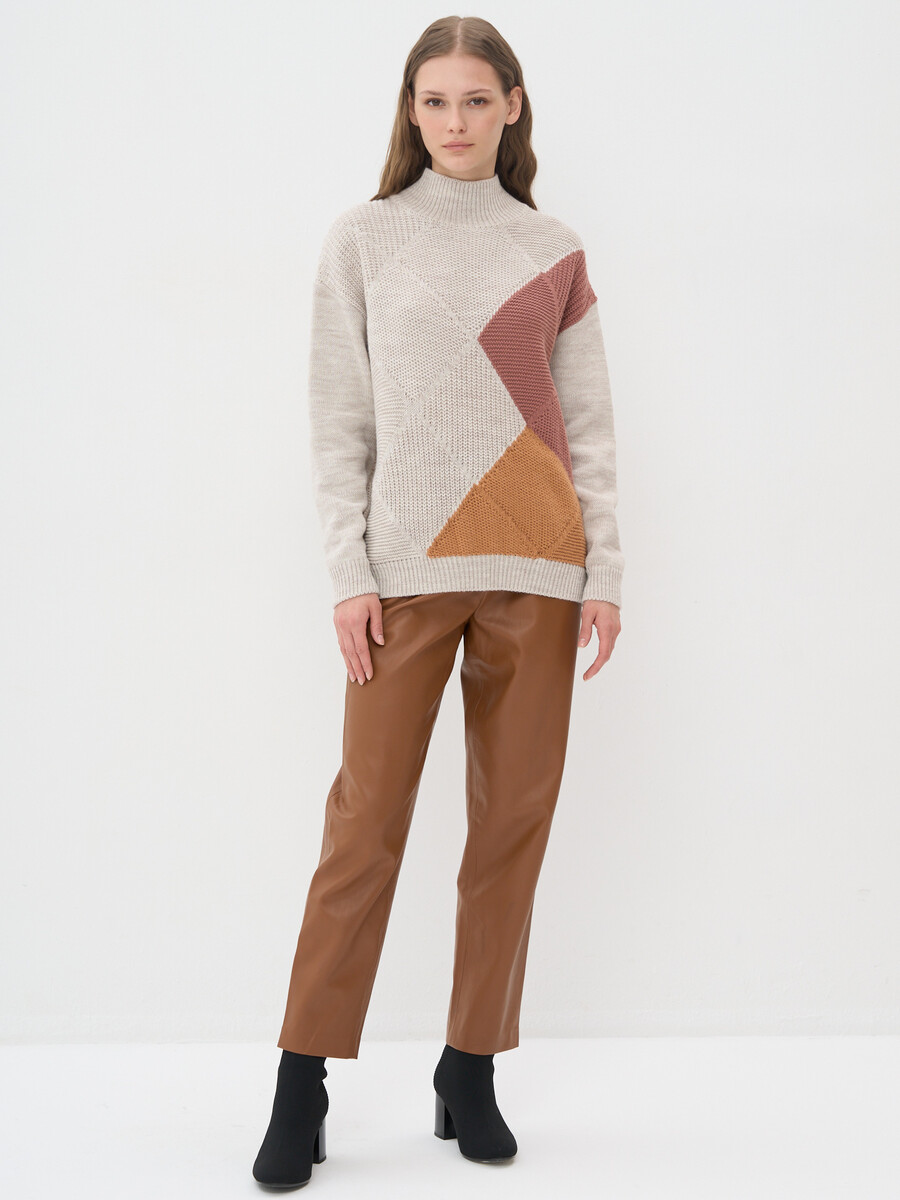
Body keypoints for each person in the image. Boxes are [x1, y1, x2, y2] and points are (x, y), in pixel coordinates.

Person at [253, 14, 623, 1190]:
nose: (454, 121)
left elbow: (589, 426)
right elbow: (337, 419)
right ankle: (301, 1080)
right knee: (364, 821)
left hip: (539, 567)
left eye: (474, 99)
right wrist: (348, 574)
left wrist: (605, 573)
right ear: (410, 113)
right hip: (406, 573)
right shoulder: (364, 239)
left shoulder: (553, 248)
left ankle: (470, 1068)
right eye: (433, 101)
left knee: (512, 824)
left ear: (512, 105)